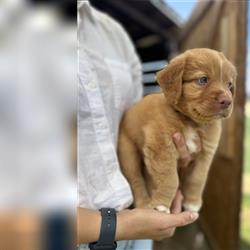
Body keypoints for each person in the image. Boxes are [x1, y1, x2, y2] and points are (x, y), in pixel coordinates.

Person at [77, 2, 199, 249]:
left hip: (137, 224)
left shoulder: (113, 33)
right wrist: (118, 226)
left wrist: (172, 158)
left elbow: (132, 126)